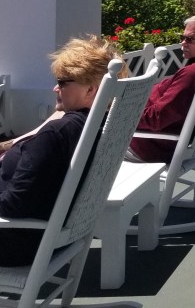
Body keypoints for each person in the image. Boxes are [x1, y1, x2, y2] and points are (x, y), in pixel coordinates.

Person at [0, 36, 125, 266]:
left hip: (17, 241)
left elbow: (14, 206)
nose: (55, 87)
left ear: (90, 90)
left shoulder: (57, 133)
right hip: (58, 237)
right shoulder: (100, 125)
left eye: (63, 82)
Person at [127, 13, 195, 163]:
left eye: (190, 39)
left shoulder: (193, 74)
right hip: (156, 139)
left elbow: (157, 118)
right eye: (183, 37)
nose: (183, 43)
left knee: (84, 136)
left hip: (145, 144)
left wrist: (118, 115)